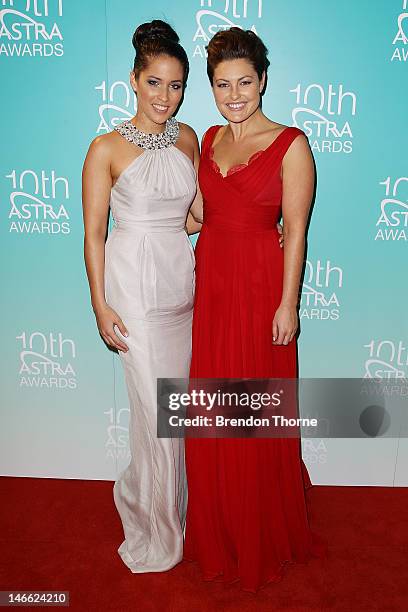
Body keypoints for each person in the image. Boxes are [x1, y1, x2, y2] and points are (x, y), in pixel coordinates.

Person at [184, 28, 327, 592]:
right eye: (223, 84)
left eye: (245, 81)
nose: (234, 93)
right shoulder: (210, 137)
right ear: (213, 89)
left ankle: (260, 531)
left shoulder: (293, 144)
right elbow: (198, 214)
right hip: (212, 286)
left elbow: (296, 232)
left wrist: (288, 302)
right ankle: (218, 528)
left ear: (264, 80)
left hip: (261, 288)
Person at [82, 19, 202, 573]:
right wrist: (100, 305)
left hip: (180, 283)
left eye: (175, 85)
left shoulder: (187, 138)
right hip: (131, 287)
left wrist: (253, 224)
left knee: (171, 412)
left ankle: (160, 505)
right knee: (158, 414)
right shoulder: (104, 147)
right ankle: (158, 531)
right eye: (155, 83)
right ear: (133, 80)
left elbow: (196, 216)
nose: (165, 96)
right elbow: (94, 233)